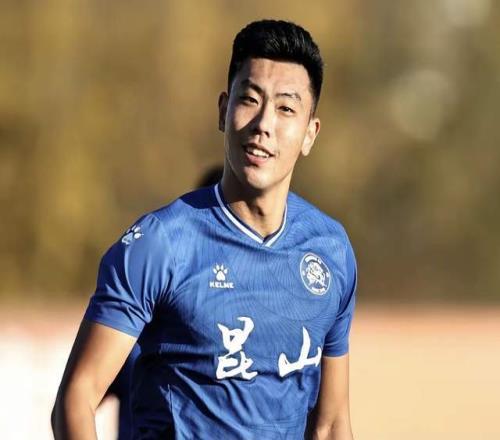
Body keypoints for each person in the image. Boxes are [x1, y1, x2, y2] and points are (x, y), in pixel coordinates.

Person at [52, 19, 357, 439]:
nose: (264, 123)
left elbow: (331, 423)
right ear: (223, 110)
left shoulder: (330, 251)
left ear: (309, 133)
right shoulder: (160, 243)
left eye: (286, 108)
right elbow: (78, 397)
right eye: (249, 99)